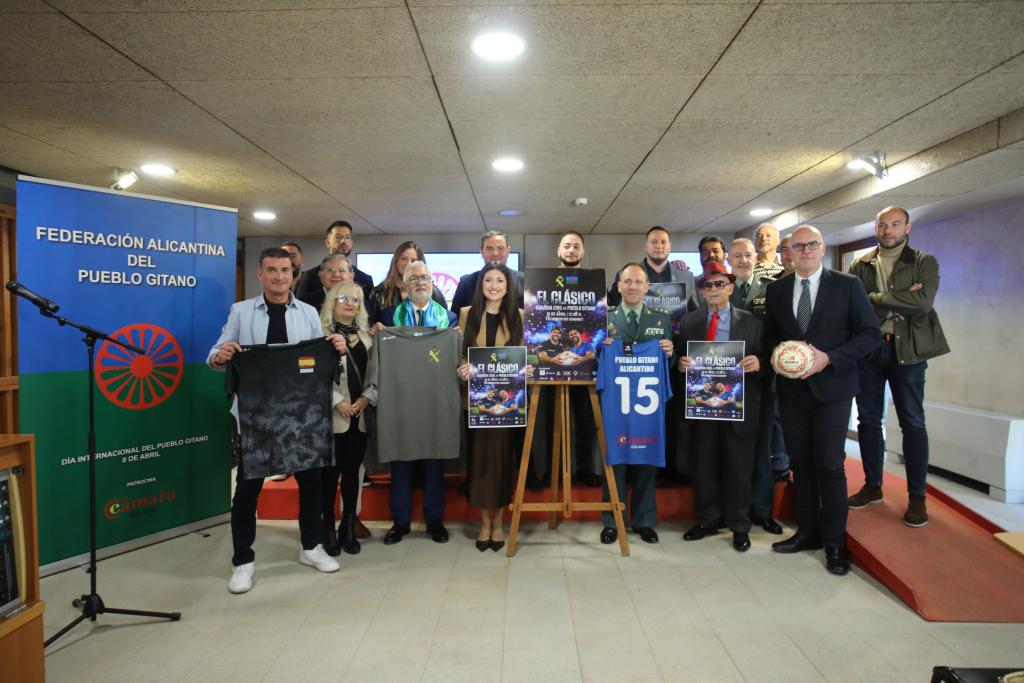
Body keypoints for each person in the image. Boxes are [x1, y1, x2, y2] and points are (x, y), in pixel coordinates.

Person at [208, 247, 348, 594]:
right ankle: (243, 561)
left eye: (285, 270)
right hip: (257, 417)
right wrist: (221, 355)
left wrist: (334, 346)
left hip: (302, 416)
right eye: (271, 269)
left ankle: (310, 547)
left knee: (311, 485)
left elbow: (318, 361)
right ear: (261, 274)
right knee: (247, 490)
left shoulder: (309, 313)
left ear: (294, 274)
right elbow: (215, 354)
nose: (279, 276)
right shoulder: (241, 312)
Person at [761, 225, 880, 575]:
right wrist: (775, 356)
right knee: (802, 463)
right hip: (793, 392)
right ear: (790, 252)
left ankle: (835, 542)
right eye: (799, 246)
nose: (806, 251)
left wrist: (830, 358)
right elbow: (771, 337)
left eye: (812, 244)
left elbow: (870, 334)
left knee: (830, 463)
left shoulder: (848, 285)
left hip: (834, 390)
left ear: (823, 248)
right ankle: (808, 532)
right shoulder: (778, 290)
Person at [847, 206, 950, 527]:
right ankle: (873, 485)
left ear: (907, 227)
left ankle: (917, 496)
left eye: (895, 224)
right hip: (870, 351)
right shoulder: (859, 264)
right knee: (867, 420)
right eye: (882, 225)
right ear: (875, 228)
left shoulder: (924, 262)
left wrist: (876, 297)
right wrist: (900, 297)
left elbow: (923, 303)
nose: (888, 230)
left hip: (909, 352)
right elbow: (853, 305)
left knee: (913, 423)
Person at [676, 261, 766, 552]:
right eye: (707, 286)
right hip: (702, 406)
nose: (713, 290)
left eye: (719, 284)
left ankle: (739, 524)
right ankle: (707, 519)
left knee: (739, 467)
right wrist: (681, 364)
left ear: (730, 288)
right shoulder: (689, 322)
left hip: (738, 405)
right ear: (701, 292)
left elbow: (768, 360)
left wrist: (759, 363)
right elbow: (679, 358)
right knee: (704, 466)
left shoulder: (752, 322)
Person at [374, 261, 458, 545]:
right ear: (404, 286)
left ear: (432, 284)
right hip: (401, 401)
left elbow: (456, 359)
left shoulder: (449, 318)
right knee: (401, 462)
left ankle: (434, 520)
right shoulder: (388, 317)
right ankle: (400, 522)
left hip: (435, 401)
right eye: (413, 279)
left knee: (435, 461)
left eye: (425, 278)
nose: (420, 283)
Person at [457, 264, 530, 552]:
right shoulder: (466, 314)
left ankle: (498, 522)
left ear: (508, 286)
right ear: (481, 285)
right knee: (479, 464)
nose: (494, 285)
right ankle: (483, 523)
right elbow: (460, 354)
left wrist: (527, 368)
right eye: (488, 280)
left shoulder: (519, 317)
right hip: (476, 404)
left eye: (500, 280)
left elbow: (527, 355)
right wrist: (461, 368)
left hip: (509, 405)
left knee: (501, 463)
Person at [601, 263, 674, 545]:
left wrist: (669, 350)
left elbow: (667, 355)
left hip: (647, 402)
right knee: (615, 459)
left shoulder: (662, 320)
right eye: (627, 281)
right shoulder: (604, 318)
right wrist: (601, 348)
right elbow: (593, 359)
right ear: (618, 286)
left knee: (647, 457)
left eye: (638, 282)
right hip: (616, 401)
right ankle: (612, 519)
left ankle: (644, 520)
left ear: (646, 287)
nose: (632, 286)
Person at [727, 238, 783, 535]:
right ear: (728, 259)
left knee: (762, 451)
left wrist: (764, 361)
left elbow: (780, 334)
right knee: (731, 451)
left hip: (761, 383)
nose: (743, 260)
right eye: (737, 255)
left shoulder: (774, 290)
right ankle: (730, 510)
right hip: (724, 386)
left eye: (748, 255)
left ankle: (762, 512)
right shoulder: (720, 288)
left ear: (756, 257)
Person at [318, 280, 374, 555]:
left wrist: (366, 399)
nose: (351, 304)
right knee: (330, 476)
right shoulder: (319, 335)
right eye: (345, 299)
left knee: (353, 474)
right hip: (332, 418)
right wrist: (337, 401)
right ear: (333, 302)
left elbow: (377, 377)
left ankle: (348, 526)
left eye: (355, 300)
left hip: (360, 417)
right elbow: (312, 378)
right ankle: (327, 526)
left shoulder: (367, 338)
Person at [606, 226, 695, 308]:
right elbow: (613, 309)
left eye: (663, 242)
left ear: (670, 247)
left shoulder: (687, 277)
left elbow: (695, 311)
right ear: (646, 246)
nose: (659, 246)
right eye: (654, 242)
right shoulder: (623, 275)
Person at [366, 241, 448, 326]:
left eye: (413, 260)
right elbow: (370, 326)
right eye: (403, 258)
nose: (408, 264)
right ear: (396, 260)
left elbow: (445, 323)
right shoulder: (378, 293)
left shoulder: (434, 293)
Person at [296, 220, 373, 301]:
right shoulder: (310, 276)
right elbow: (300, 308)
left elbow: (369, 311)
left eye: (348, 237)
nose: (343, 241)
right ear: (327, 242)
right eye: (338, 237)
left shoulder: (365, 279)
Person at [451, 230, 525, 312]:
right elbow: (456, 319)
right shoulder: (466, 283)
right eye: (489, 249)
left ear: (508, 251)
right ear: (481, 252)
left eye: (500, 248)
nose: (495, 253)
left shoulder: (524, 280)